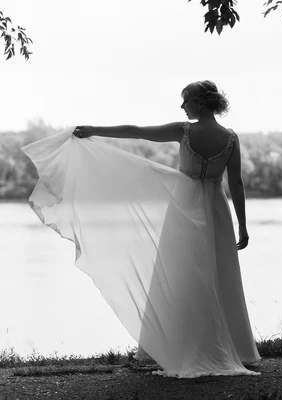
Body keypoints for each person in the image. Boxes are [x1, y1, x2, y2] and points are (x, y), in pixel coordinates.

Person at [24, 80, 261, 377]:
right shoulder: (231, 138)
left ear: (200, 102)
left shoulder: (183, 131)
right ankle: (235, 348)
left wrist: (95, 130)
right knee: (219, 271)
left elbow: (137, 131)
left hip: (186, 206)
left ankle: (185, 347)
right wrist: (243, 225)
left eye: (185, 99)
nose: (182, 105)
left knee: (180, 273)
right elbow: (235, 183)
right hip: (217, 208)